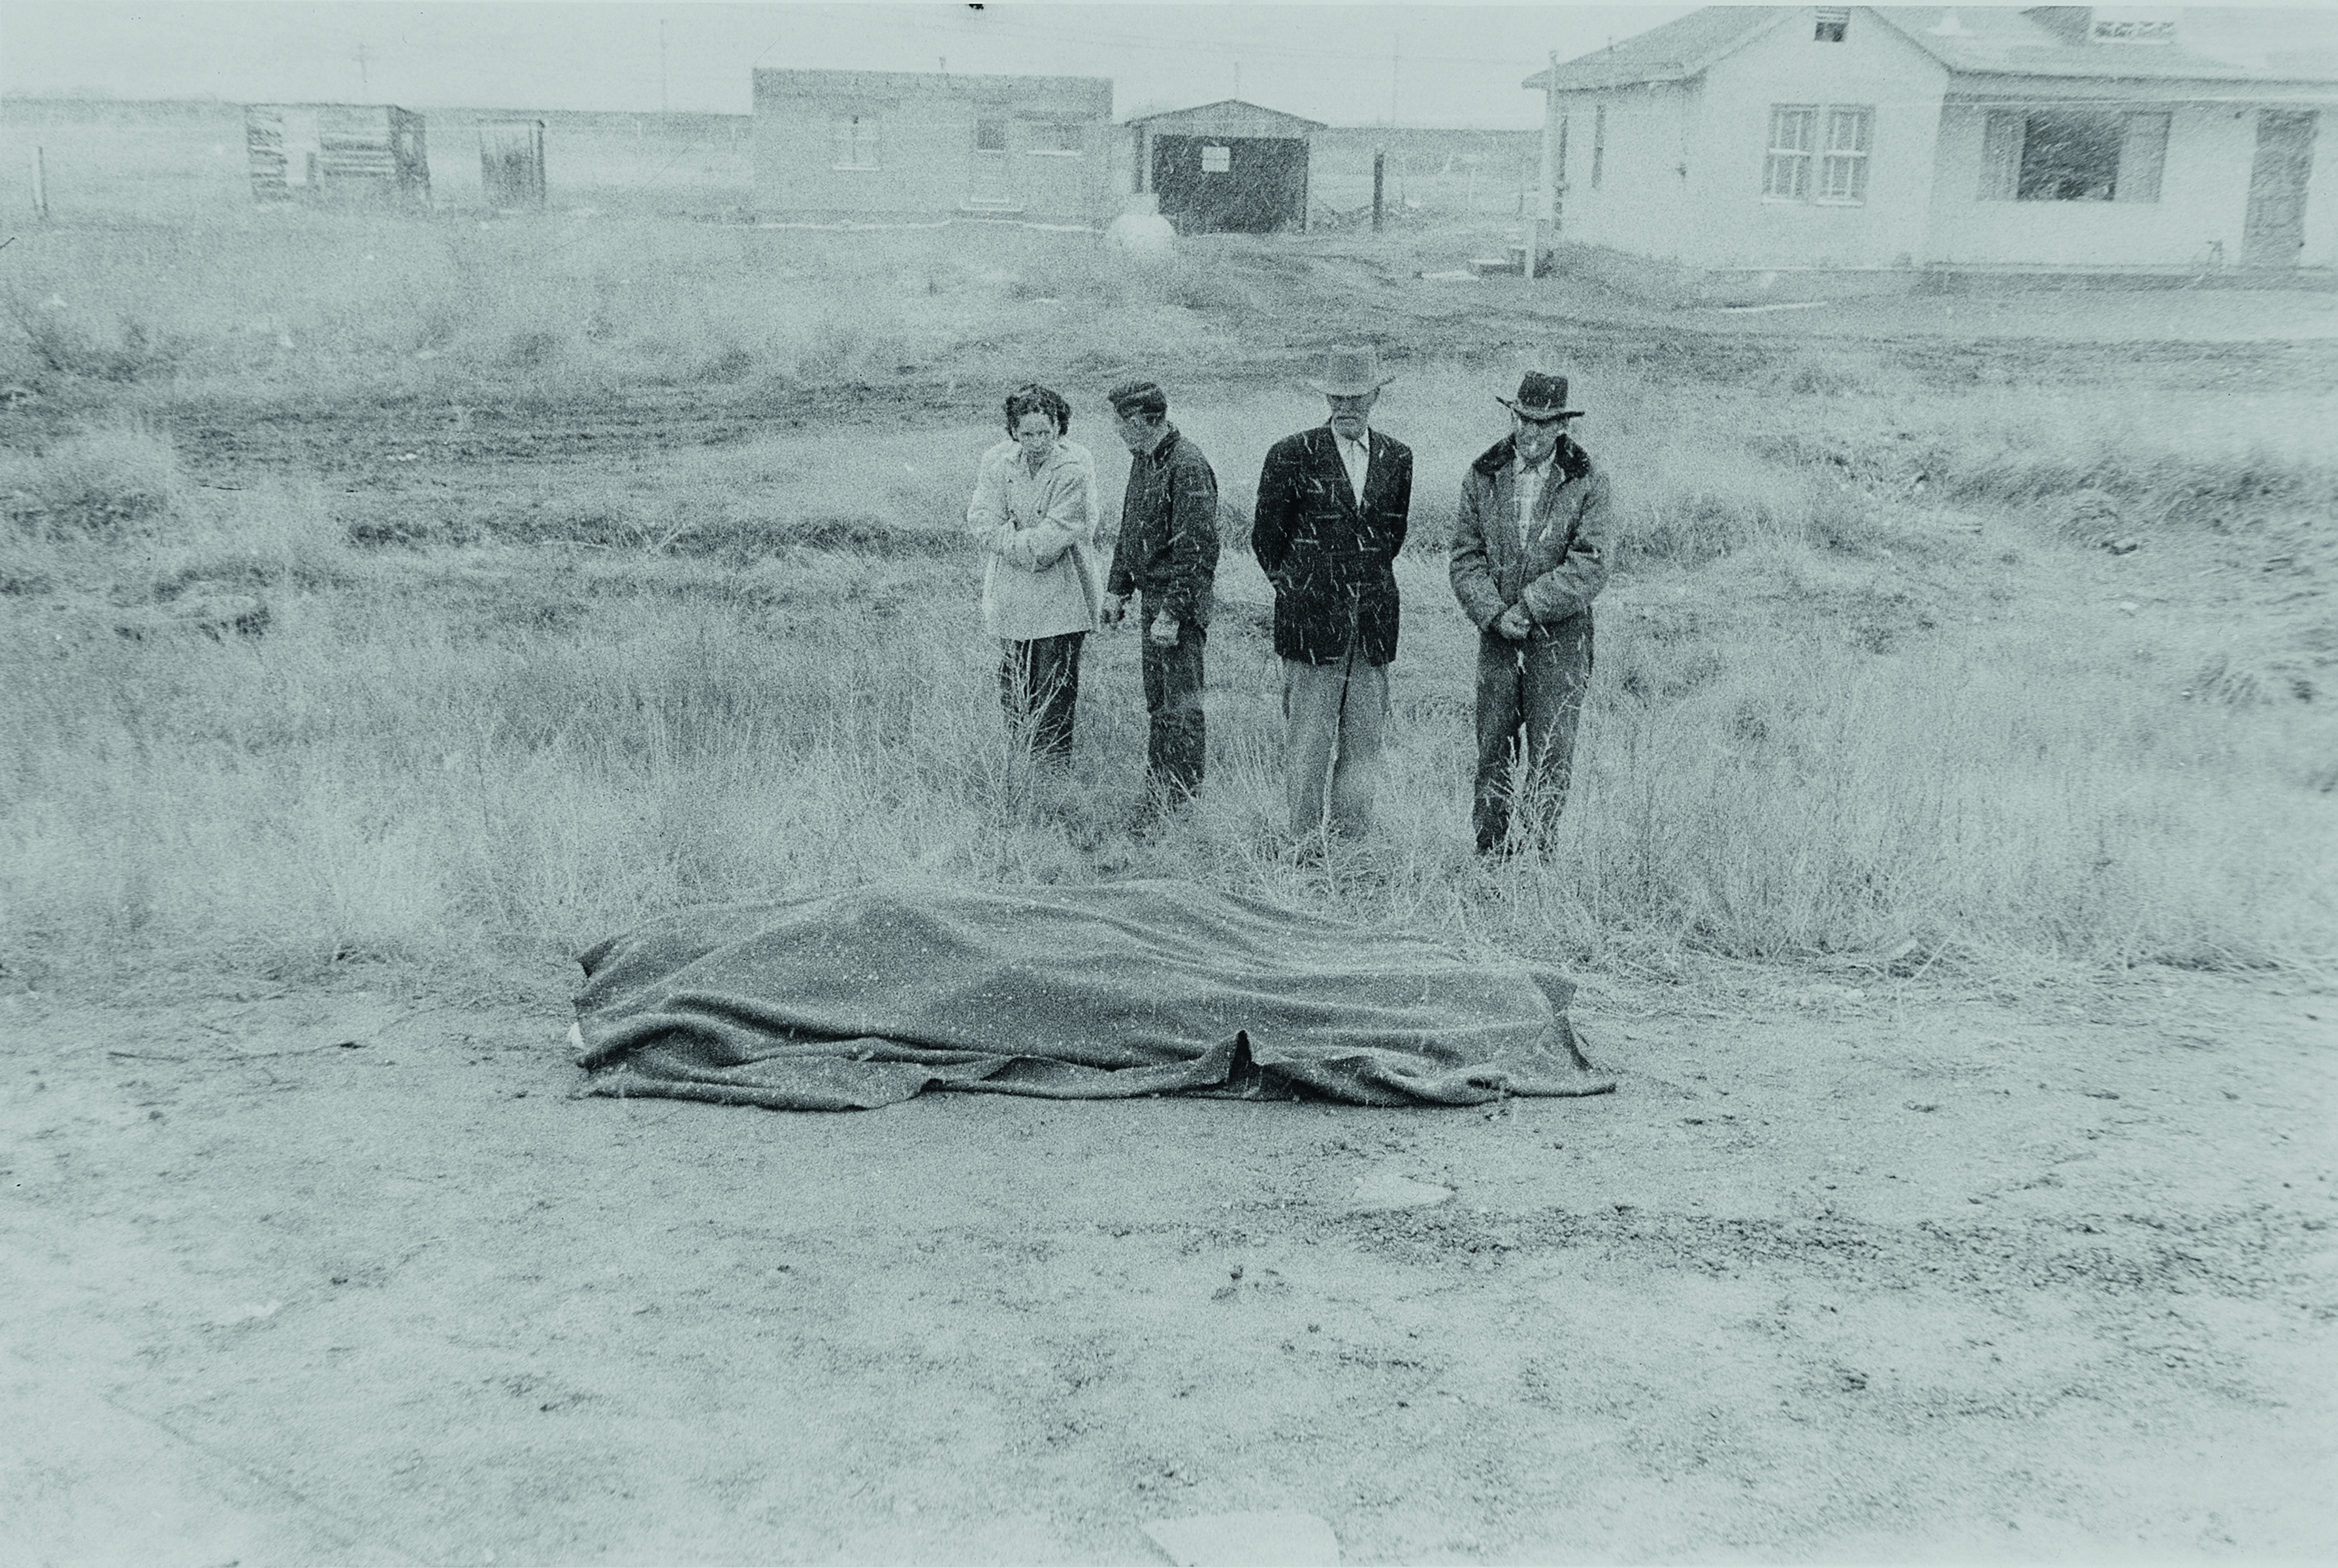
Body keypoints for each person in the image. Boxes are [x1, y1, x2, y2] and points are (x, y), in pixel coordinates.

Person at [1252, 345, 1414, 846]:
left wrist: (1359, 588)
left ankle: (1349, 846)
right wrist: (1305, 590)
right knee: (1308, 743)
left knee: (1363, 743)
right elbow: (1266, 540)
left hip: (1371, 626)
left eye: (1357, 395)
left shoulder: (1397, 457)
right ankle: (1302, 845)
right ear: (1325, 395)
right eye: (1337, 395)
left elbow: (1391, 537)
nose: (1347, 405)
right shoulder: (1290, 453)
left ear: (1376, 395)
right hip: (1309, 626)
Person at [1449, 370, 1612, 856]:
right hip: (1498, 636)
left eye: (1543, 423)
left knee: (1551, 751)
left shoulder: (1588, 479)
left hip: (1560, 640)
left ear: (1562, 424)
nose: (1531, 432)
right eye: (1523, 419)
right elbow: (1464, 557)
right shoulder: (1483, 474)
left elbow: (1592, 562)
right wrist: (1495, 614)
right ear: (1512, 414)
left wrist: (1531, 605)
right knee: (1493, 748)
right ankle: (1491, 855)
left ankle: (1540, 855)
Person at [966, 383, 1102, 765]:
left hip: (1063, 591)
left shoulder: (1075, 466)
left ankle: (1054, 769)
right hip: (1011, 593)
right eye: (1027, 433)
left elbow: (1058, 536)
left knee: (1056, 685)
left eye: (1045, 431)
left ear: (1060, 427)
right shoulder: (997, 462)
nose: (1037, 441)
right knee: (1015, 683)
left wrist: (1011, 538)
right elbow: (980, 519)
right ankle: (1020, 761)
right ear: (1013, 431)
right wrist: (1017, 542)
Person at [1101, 378, 1220, 811]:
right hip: (1153, 602)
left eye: (1118, 421)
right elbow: (1130, 530)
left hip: (1178, 607)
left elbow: (1197, 551)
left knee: (1182, 711)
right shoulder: (1144, 459)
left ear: (1137, 420)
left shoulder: (1186, 464)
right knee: (1160, 707)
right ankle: (1157, 804)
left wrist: (1171, 612)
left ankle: (1182, 807)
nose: (1114, 429)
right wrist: (1117, 589)